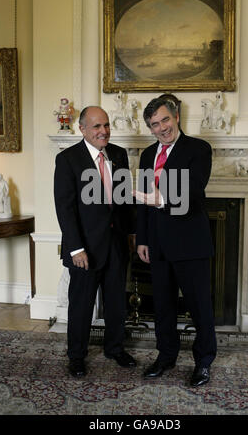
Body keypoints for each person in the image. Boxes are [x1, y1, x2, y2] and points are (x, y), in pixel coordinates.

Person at [134, 97, 217, 387]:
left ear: (177, 117)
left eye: (165, 120)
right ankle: (166, 356)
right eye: (154, 124)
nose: (161, 128)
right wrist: (142, 240)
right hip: (157, 244)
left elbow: (194, 191)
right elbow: (143, 202)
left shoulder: (198, 149)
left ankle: (203, 362)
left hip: (190, 242)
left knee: (199, 306)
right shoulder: (147, 156)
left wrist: (163, 198)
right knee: (163, 306)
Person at [54, 106, 136, 377]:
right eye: (97, 126)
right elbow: (65, 208)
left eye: (107, 125)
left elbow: (124, 202)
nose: (104, 131)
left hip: (116, 243)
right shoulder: (68, 159)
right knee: (81, 304)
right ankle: (76, 355)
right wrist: (76, 248)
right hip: (84, 248)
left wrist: (132, 234)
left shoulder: (119, 154)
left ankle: (115, 348)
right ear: (83, 129)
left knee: (116, 301)